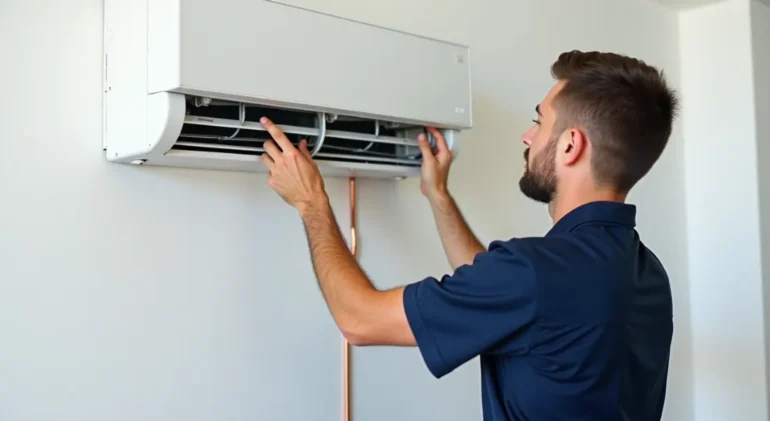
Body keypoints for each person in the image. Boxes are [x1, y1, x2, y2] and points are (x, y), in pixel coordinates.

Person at [257, 50, 678, 421]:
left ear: (570, 146)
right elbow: (502, 295)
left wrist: (312, 203)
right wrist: (438, 196)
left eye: (539, 121)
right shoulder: (646, 272)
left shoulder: (533, 274)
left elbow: (360, 321)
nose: (527, 136)